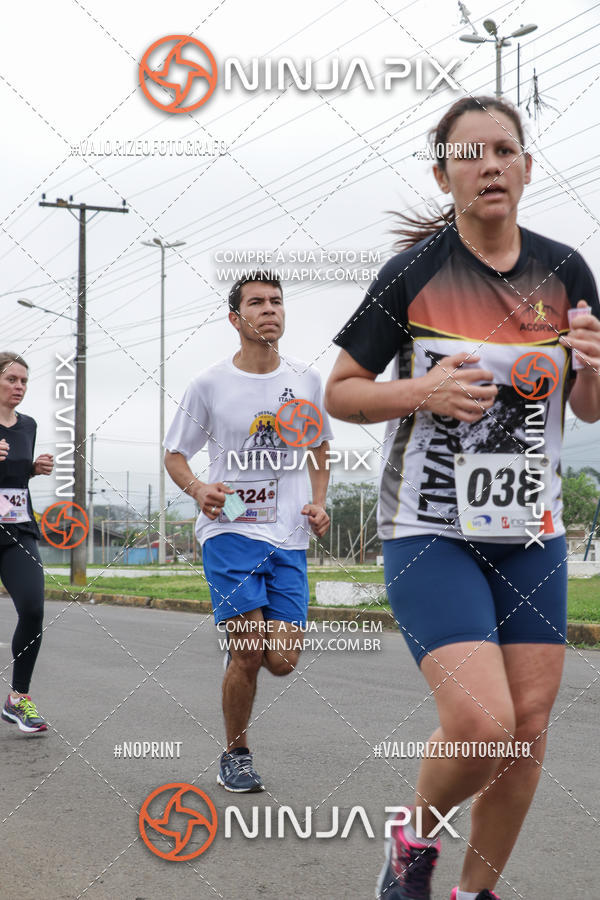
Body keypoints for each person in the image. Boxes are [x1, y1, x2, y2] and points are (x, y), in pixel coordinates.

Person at [325, 95, 600, 900]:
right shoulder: (414, 273)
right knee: (485, 727)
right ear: (443, 172)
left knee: (531, 729)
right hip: (428, 528)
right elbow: (340, 392)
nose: (491, 164)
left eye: (505, 150)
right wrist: (425, 392)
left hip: (533, 529)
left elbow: (589, 408)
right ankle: (412, 842)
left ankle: (475, 893)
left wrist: (593, 362)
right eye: (471, 153)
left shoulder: (567, 269)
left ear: (525, 166)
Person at [164, 271, 332, 792]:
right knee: (250, 649)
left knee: (280, 659)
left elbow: (320, 447)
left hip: (287, 534)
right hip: (230, 526)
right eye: (256, 303)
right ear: (235, 318)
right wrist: (198, 490)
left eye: (276, 302)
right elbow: (175, 455)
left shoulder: (306, 379)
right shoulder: (209, 384)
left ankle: (244, 652)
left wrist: (319, 502)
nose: (269, 310)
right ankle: (235, 752)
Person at [0, 353, 54, 734]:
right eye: (12, 379)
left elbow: (14, 477)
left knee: (33, 609)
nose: (19, 387)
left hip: (17, 529)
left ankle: (19, 699)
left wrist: (33, 469)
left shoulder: (28, 425)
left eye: (24, 381)